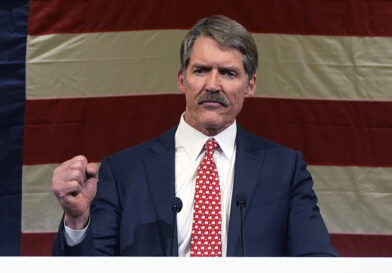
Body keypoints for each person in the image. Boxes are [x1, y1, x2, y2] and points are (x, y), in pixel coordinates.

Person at [52, 15, 337, 257]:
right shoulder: (125, 171)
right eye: (201, 70)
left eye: (228, 73)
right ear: (181, 79)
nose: (212, 85)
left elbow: (317, 264)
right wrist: (77, 221)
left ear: (250, 85)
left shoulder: (284, 169)